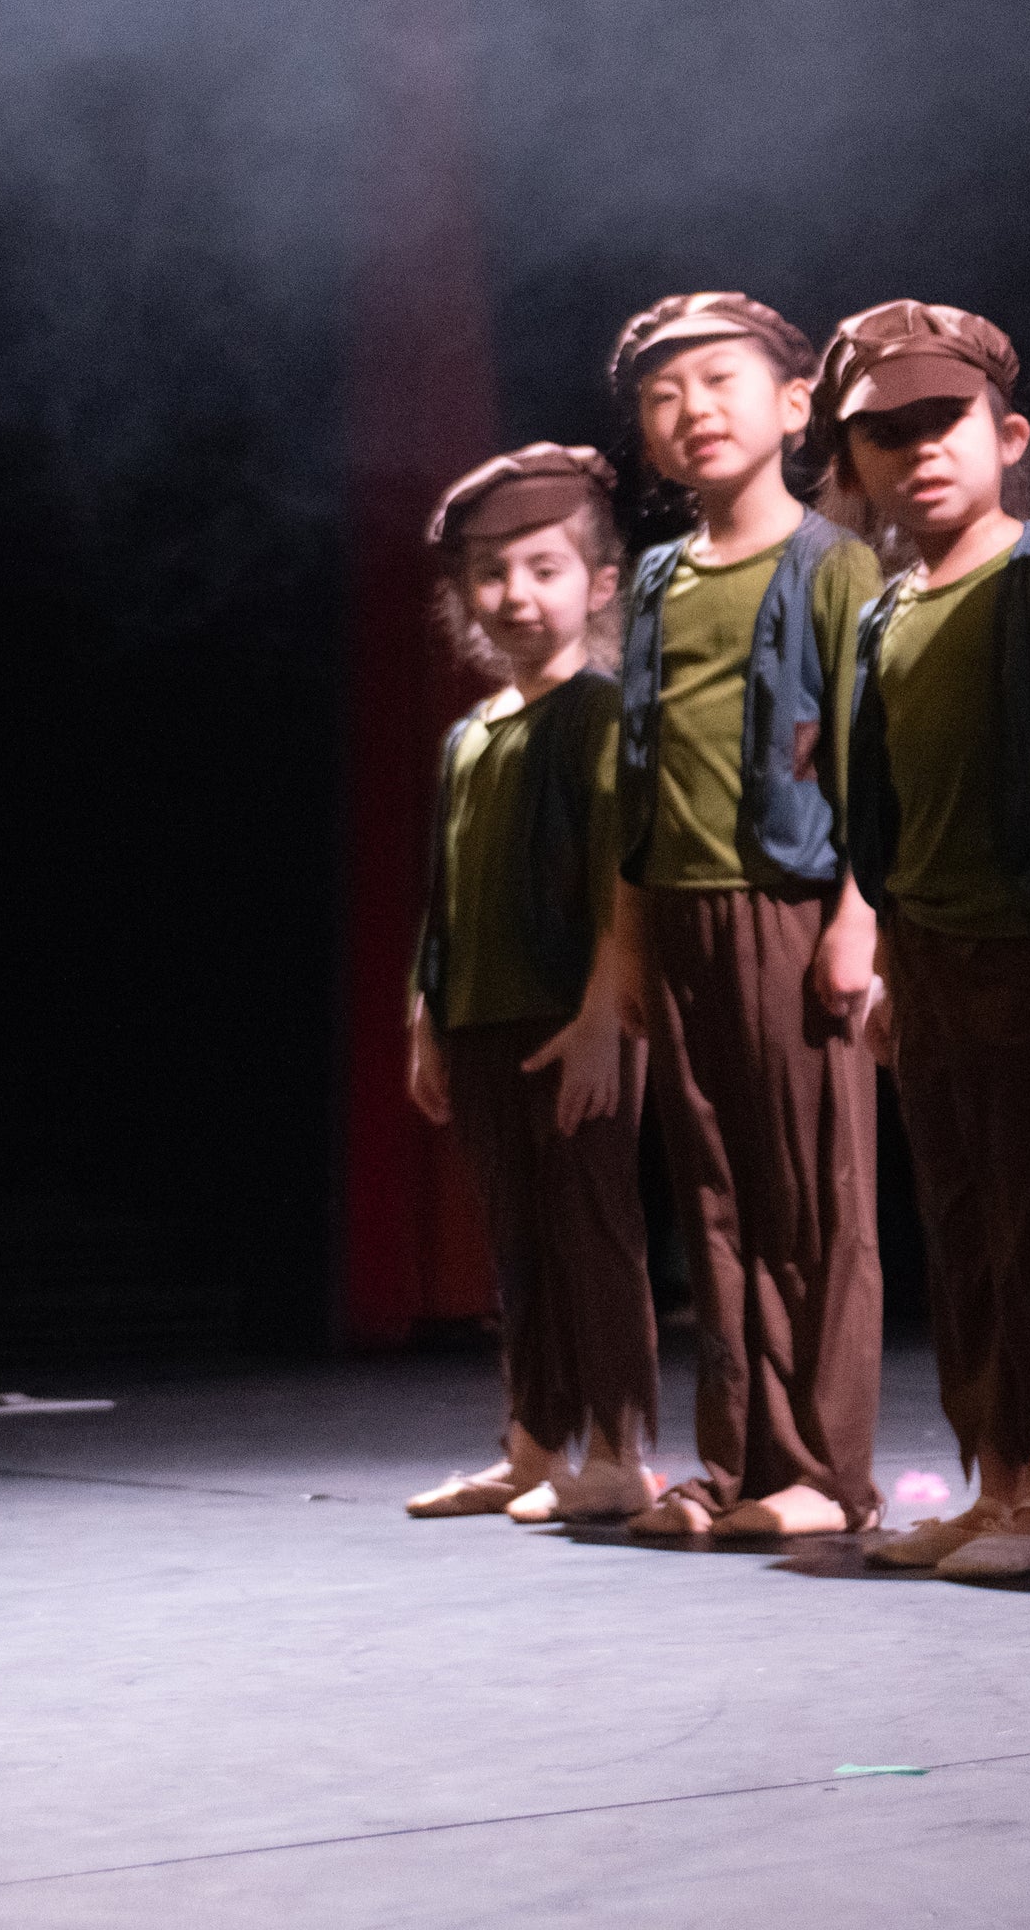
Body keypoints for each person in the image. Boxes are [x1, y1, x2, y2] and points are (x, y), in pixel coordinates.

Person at [804, 301, 1030, 1581]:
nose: (918, 451)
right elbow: (878, 810)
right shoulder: (885, 614)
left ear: (1008, 434)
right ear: (855, 466)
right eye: (885, 436)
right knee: (963, 1223)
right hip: (929, 956)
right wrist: (882, 955)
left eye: (943, 422)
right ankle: (995, 1480)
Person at [604, 293, 889, 1541]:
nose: (693, 409)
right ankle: (736, 1464)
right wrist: (625, 934)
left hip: (791, 904)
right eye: (665, 396)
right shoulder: (659, 577)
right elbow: (636, 765)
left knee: (813, 1199)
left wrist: (856, 915)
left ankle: (822, 1473)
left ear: (791, 405)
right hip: (678, 912)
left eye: (720, 380)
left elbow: (874, 755)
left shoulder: (834, 562)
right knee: (713, 1197)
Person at [400, 443, 664, 1529]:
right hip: (482, 1015)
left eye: (544, 568)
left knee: (589, 1230)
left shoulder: (597, 712)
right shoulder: (471, 733)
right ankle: (532, 1445)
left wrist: (607, 1011)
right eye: (493, 574)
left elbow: (621, 866)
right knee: (518, 1239)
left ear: (598, 585)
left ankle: (616, 1450)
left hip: (572, 1014)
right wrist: (427, 1013)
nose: (516, 594)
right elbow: (447, 888)